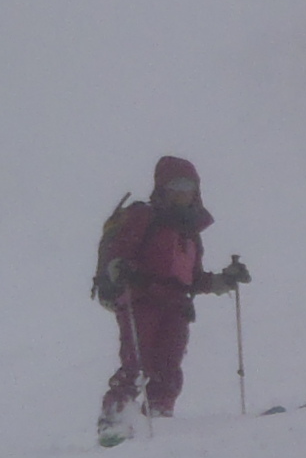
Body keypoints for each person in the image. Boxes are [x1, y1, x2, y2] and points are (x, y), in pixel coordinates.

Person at [92, 156, 249, 443]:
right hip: (141, 299)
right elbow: (120, 253)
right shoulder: (144, 217)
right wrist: (120, 270)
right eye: (175, 185)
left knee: (168, 369)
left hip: (176, 307)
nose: (182, 192)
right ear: (162, 187)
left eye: (188, 186)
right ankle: (113, 420)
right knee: (136, 363)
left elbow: (193, 278)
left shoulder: (190, 232)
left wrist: (224, 280)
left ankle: (159, 419)